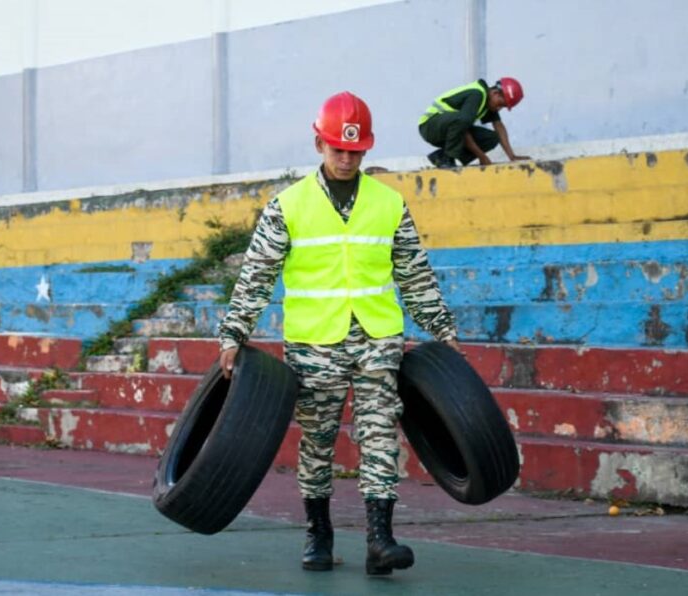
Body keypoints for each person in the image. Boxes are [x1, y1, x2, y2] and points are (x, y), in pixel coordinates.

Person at [217, 91, 459, 576]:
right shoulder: (287, 206)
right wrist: (234, 333)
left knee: (378, 434)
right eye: (338, 150)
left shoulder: (390, 204)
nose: (347, 159)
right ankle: (318, 533)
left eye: (356, 151)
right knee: (318, 440)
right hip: (314, 344)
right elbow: (257, 274)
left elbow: (414, 273)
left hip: (377, 337)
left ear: (367, 150)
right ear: (319, 144)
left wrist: (442, 330)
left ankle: (380, 539)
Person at [418, 77, 530, 168]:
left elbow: (498, 126)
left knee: (491, 138)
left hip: (449, 127)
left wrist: (512, 156)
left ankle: (441, 156)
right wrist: (482, 157)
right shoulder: (477, 95)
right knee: (462, 121)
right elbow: (463, 126)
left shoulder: (488, 102)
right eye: (501, 104)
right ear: (495, 93)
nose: (499, 109)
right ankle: (447, 158)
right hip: (430, 125)